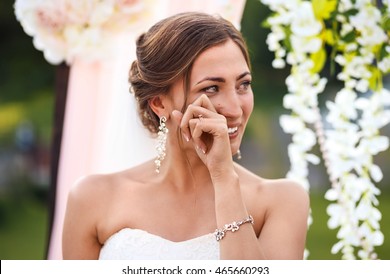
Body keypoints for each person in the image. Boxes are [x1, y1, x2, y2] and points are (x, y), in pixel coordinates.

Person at [62, 12, 309, 260]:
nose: (235, 110)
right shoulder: (91, 198)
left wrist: (224, 178)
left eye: (243, 85)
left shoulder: (282, 201)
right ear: (159, 103)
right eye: (212, 88)